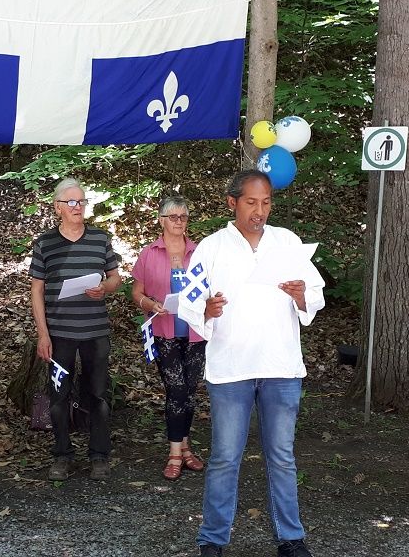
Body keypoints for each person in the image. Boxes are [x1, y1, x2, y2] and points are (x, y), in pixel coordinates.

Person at [177, 170, 324, 557]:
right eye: (251, 202)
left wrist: (300, 295)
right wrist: (205, 310)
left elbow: (316, 294)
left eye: (266, 202)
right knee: (225, 457)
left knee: (282, 456)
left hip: (281, 367)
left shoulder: (287, 242)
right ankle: (212, 540)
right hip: (231, 369)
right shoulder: (211, 248)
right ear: (233, 202)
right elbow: (189, 301)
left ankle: (290, 538)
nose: (260, 211)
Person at [30, 177, 123, 481]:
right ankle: (62, 455)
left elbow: (115, 279)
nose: (77, 207)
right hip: (59, 333)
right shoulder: (45, 243)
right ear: (57, 207)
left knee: (97, 394)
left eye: (81, 201)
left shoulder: (100, 238)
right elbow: (36, 291)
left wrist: (104, 288)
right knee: (58, 396)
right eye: (71, 202)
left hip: (95, 331)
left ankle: (99, 455)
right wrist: (43, 334)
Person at [130, 195, 206, 480]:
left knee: (189, 390)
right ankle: (176, 453)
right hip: (165, 331)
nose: (178, 222)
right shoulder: (149, 253)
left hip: (196, 332)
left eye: (183, 217)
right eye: (173, 217)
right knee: (175, 389)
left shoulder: (199, 252)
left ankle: (186, 449)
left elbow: (209, 289)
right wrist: (149, 305)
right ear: (161, 220)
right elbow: (135, 292)